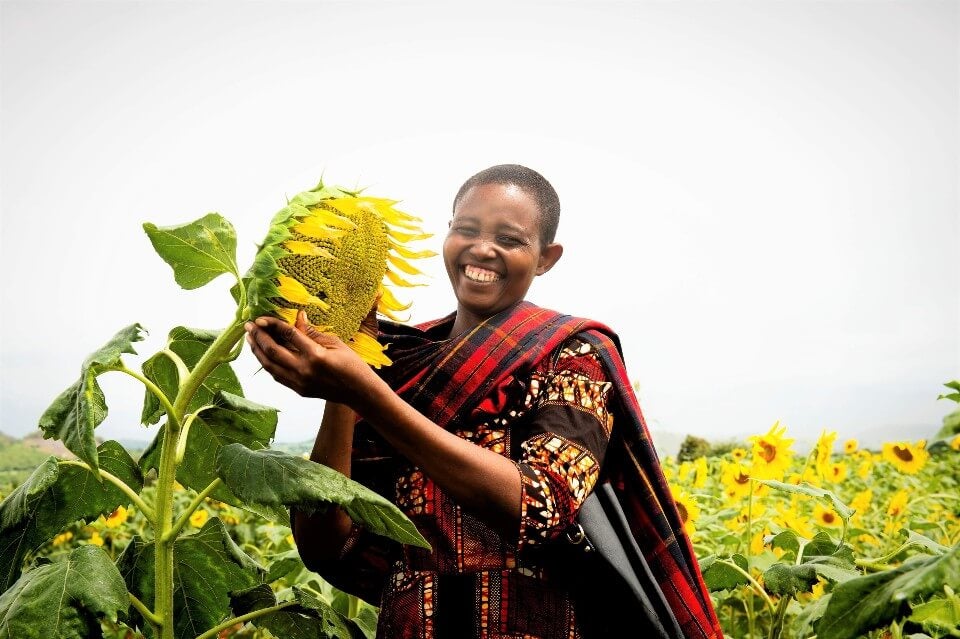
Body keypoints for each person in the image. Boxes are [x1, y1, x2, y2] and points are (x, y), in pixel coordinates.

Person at [244, 164, 723, 639]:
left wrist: (365, 391)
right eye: (466, 229)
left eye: (510, 239)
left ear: (546, 257)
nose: (482, 249)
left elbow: (541, 506)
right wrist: (348, 380)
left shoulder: (569, 355)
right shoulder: (397, 363)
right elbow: (329, 547)